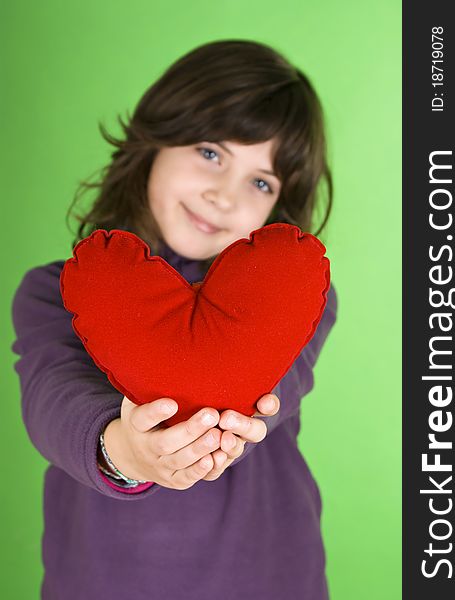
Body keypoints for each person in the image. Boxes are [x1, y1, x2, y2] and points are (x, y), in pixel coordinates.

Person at [11, 39, 338, 599]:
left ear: (278, 209)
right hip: (100, 580)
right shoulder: (55, 290)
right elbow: (52, 393)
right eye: (211, 152)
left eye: (261, 182)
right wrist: (123, 449)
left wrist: (224, 429)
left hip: (270, 576)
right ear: (155, 139)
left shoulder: (298, 296)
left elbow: (281, 376)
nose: (223, 195)